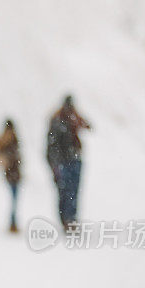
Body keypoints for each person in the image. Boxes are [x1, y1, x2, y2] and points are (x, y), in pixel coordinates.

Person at [46, 94, 91, 230]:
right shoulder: (57, 120)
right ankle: (66, 219)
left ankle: (71, 219)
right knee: (65, 191)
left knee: (73, 191)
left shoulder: (73, 118)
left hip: (74, 160)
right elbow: (51, 146)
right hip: (63, 162)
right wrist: (54, 164)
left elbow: (88, 125)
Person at [0, 119, 22, 233]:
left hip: (11, 173)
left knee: (13, 199)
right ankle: (12, 223)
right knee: (13, 199)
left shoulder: (6, 139)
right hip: (13, 174)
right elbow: (14, 156)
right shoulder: (11, 139)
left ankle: (13, 223)